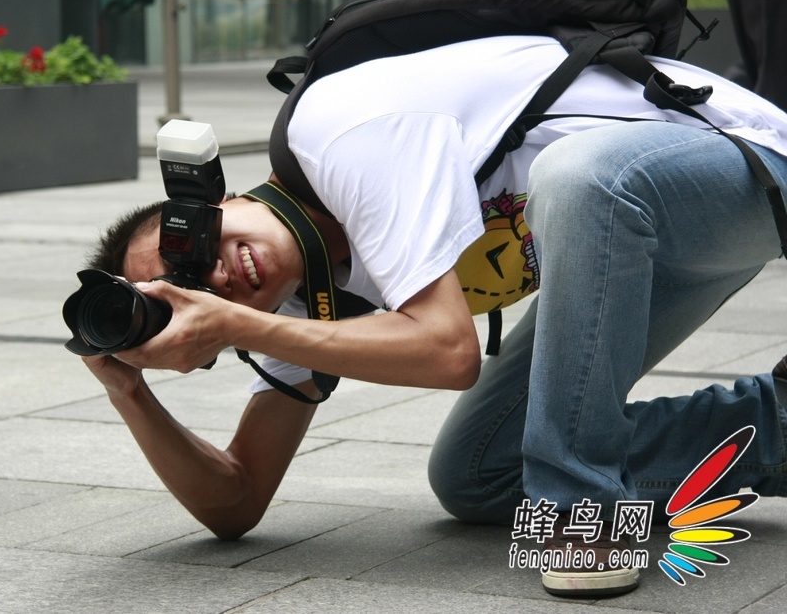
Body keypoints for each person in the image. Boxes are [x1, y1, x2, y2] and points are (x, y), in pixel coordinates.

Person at [78, 34, 787, 598]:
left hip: (737, 165)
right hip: (641, 251)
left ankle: (584, 512)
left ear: (215, 198)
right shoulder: (295, 300)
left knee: (578, 177)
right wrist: (128, 392)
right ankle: (777, 429)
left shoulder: (338, 138)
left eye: (191, 246)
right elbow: (236, 502)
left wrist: (238, 324)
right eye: (190, 292)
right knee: (477, 472)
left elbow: (450, 354)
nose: (215, 277)